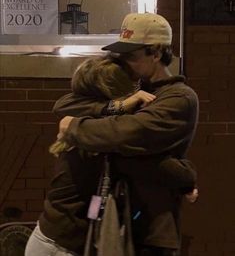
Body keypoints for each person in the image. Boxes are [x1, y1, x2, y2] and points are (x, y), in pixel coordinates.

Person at [55, 13, 199, 256]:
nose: (123, 63)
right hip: (112, 218)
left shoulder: (179, 98)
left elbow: (123, 136)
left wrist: (74, 128)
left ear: (156, 53)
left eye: (131, 56)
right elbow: (65, 104)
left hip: (152, 231)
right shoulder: (132, 91)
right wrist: (116, 106)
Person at [26, 56, 196, 256]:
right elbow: (158, 167)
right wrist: (188, 176)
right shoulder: (102, 140)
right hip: (60, 247)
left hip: (51, 240)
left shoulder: (85, 128)